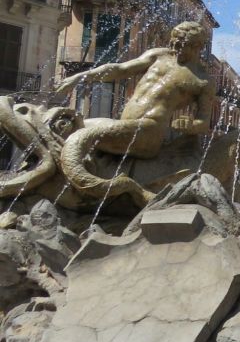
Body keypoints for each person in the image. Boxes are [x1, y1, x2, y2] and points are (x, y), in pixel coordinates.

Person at [53, 21, 216, 205]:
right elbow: (120, 69)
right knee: (71, 126)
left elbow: (204, 122)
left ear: (197, 46)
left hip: (149, 131)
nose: (174, 48)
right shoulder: (158, 55)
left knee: (82, 136)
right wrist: (79, 77)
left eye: (180, 44)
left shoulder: (203, 80)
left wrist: (189, 125)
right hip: (125, 126)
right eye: (172, 42)